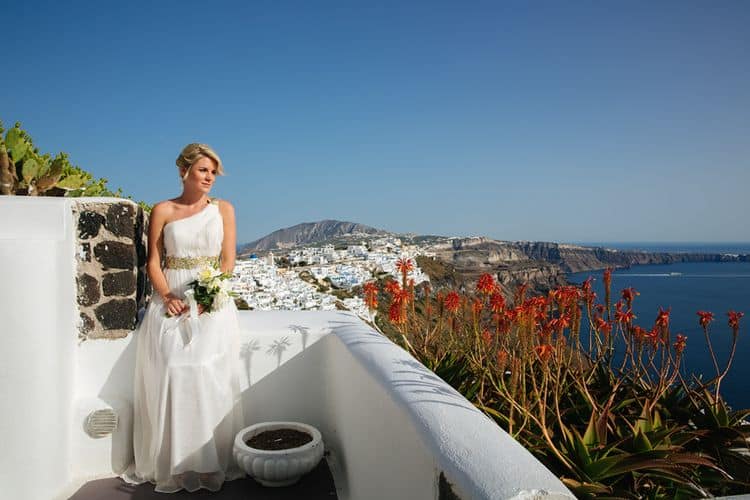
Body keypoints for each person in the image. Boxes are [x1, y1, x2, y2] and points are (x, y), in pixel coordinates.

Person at [121, 143, 245, 492]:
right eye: (203, 170)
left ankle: (208, 464)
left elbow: (227, 263)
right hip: (171, 298)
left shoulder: (224, 210)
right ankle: (174, 464)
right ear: (184, 171)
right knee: (173, 374)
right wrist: (168, 297)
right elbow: (153, 262)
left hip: (211, 301)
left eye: (212, 172)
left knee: (207, 376)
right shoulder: (162, 210)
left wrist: (206, 299)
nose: (209, 178)